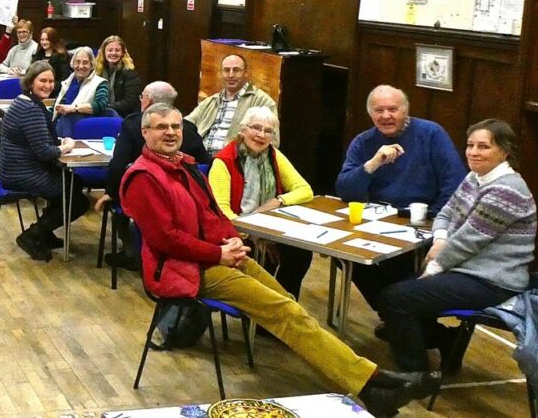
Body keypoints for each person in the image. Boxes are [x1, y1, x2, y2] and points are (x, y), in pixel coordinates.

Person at [119, 103, 440, 417]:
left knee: (288, 303)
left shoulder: (183, 166)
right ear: (145, 132)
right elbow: (166, 240)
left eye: (176, 126)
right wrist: (218, 253)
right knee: (285, 311)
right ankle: (372, 382)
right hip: (182, 269)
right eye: (162, 127)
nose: (171, 132)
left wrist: (231, 238)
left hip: (215, 256)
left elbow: (212, 214)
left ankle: (371, 383)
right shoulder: (143, 177)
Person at [379, 119, 535, 373]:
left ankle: (415, 374)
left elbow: (469, 240)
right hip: (465, 268)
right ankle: (447, 341)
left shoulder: (507, 189)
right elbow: (445, 213)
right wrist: (440, 239)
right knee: (394, 288)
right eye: (470, 145)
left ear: (505, 151)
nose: (473, 152)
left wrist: (435, 266)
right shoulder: (475, 177)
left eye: (483, 147)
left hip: (493, 280)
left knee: (396, 298)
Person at [336, 85, 467, 316]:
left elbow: (454, 183)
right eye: (379, 110)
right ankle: (396, 316)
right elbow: (346, 191)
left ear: (405, 110)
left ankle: (404, 319)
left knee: (401, 268)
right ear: (370, 114)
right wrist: (373, 163)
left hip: (422, 224)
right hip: (376, 225)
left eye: (392, 109)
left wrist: (434, 220)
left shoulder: (431, 134)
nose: (386, 116)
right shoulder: (363, 142)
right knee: (343, 254)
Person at [96, 81, 210, 270]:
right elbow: (204, 163)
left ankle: (131, 252)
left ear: (147, 100)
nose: (170, 132)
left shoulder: (134, 124)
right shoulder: (187, 127)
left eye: (142, 97)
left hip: (148, 195)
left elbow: (118, 164)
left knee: (123, 202)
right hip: (188, 198)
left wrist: (111, 192)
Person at [209, 106, 314, 299]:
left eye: (268, 131)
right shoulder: (223, 162)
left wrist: (278, 201)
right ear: (242, 130)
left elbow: (305, 190)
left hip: (267, 229)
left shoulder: (273, 155)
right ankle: (262, 314)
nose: (261, 135)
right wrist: (258, 235)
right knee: (262, 255)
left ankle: (283, 307)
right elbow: (222, 213)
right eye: (255, 128)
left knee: (300, 252)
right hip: (235, 234)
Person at [0, 61, 89, 261]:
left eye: (50, 81)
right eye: (42, 81)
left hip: (19, 167)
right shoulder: (29, 108)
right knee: (79, 201)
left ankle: (44, 231)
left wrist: (59, 142)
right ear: (30, 82)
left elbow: (41, 140)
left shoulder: (25, 101)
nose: (48, 85)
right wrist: (67, 146)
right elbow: (45, 153)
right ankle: (33, 235)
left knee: (75, 183)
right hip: (21, 173)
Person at [185, 54, 278, 157]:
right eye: (226, 70)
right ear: (221, 73)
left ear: (246, 73)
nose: (230, 75)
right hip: (202, 160)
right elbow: (185, 126)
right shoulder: (210, 101)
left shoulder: (262, 101)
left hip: (236, 162)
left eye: (236, 70)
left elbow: (273, 141)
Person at [52, 47, 110, 137]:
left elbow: (100, 105)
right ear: (72, 63)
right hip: (60, 126)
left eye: (85, 62)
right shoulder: (68, 82)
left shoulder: (100, 83)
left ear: (92, 65)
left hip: (80, 129)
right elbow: (58, 105)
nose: (81, 66)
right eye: (77, 62)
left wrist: (74, 108)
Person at [95, 35, 141, 117]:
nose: (113, 53)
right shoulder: (97, 72)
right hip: (99, 113)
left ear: (123, 53)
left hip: (123, 116)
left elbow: (131, 102)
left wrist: (105, 107)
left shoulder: (129, 72)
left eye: (117, 50)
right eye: (110, 50)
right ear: (103, 52)